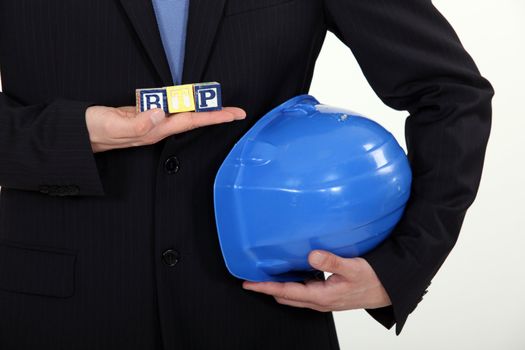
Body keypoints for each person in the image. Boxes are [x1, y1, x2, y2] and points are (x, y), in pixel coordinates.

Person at [0, 0, 493, 349]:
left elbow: (450, 94)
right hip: (56, 312)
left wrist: (401, 266)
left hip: (260, 314)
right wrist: (77, 133)